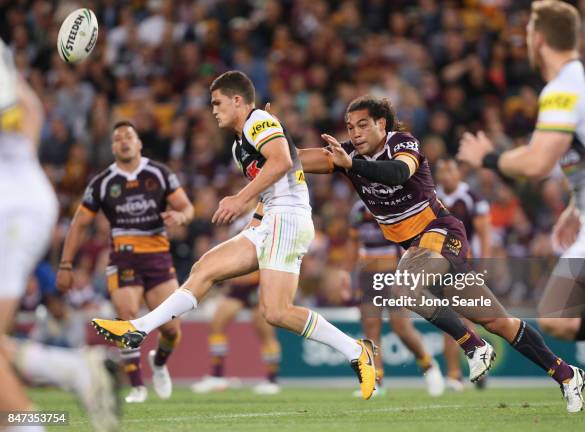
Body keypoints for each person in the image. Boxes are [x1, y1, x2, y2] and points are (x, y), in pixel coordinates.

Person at [91, 70, 378, 400]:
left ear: (238, 100)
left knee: (276, 311)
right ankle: (138, 329)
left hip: (288, 218)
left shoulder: (258, 121)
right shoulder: (241, 143)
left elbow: (283, 161)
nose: (213, 110)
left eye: (217, 102)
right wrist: (254, 221)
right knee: (205, 268)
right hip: (270, 219)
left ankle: (356, 351)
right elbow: (289, 165)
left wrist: (240, 199)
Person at [297, 94, 585, 413]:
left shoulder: (403, 144)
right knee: (497, 320)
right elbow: (293, 159)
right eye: (350, 127)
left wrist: (351, 164)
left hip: (441, 232)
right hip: (420, 248)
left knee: (404, 287)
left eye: (363, 125)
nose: (355, 133)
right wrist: (261, 139)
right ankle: (566, 373)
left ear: (381, 124)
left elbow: (398, 173)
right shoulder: (346, 154)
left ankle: (473, 346)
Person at [458, 1, 585, 347]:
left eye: (528, 33)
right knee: (556, 317)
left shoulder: (564, 88)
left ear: (538, 39)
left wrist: (489, 158)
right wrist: (576, 207)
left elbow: (538, 163)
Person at [0, 39, 120, 432]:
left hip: (11, 210)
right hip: (21, 201)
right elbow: (30, 110)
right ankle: (71, 371)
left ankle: (68, 379)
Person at [56, 120, 194, 403]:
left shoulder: (159, 173)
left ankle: (159, 363)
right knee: (127, 315)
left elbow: (187, 207)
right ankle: (137, 386)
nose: (123, 141)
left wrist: (180, 216)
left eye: (128, 136)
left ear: (139, 143)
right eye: (117, 138)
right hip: (123, 259)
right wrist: (66, 264)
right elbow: (79, 224)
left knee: (171, 329)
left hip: (158, 258)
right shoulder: (103, 182)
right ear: (113, 147)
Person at [345, 200, 444, 397]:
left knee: (401, 327)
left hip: (394, 273)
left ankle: (429, 365)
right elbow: (354, 244)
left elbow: (409, 243)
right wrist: (349, 276)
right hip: (369, 275)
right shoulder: (358, 210)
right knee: (370, 326)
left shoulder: (393, 206)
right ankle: (376, 382)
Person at [191, 206, 282, 395]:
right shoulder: (239, 222)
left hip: (258, 283)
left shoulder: (267, 214)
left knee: (264, 332)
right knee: (217, 324)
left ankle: (272, 381)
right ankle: (217, 376)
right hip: (238, 285)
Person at [435, 156, 492, 390]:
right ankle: (457, 372)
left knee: (462, 319)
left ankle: (466, 366)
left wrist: (484, 266)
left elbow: (484, 235)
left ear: (459, 173)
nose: (446, 175)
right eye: (442, 170)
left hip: (465, 265)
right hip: (439, 265)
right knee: (450, 319)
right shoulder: (432, 196)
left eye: (450, 169)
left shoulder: (472, 199)